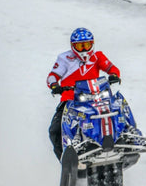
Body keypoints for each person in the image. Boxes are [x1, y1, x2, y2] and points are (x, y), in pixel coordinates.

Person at [46, 28, 121, 161]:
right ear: (73, 46)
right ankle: (65, 162)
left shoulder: (97, 56)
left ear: (92, 44)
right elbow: (52, 76)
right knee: (55, 130)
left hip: (97, 98)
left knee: (120, 105)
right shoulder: (65, 58)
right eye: (80, 46)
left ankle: (127, 133)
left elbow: (111, 68)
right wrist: (55, 86)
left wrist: (114, 75)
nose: (84, 50)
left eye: (87, 45)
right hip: (71, 100)